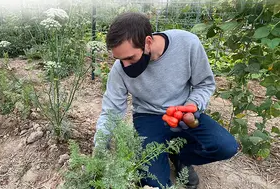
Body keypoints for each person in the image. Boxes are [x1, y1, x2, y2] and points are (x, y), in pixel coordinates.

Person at [93, 12, 239, 188]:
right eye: (120, 59)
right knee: (154, 184)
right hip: (147, 117)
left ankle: (180, 156)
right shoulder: (119, 70)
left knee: (225, 146)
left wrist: (191, 106)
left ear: (148, 42)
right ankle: (158, 156)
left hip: (183, 112)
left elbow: (205, 84)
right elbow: (111, 111)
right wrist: (101, 144)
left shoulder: (187, 43)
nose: (125, 65)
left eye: (130, 58)